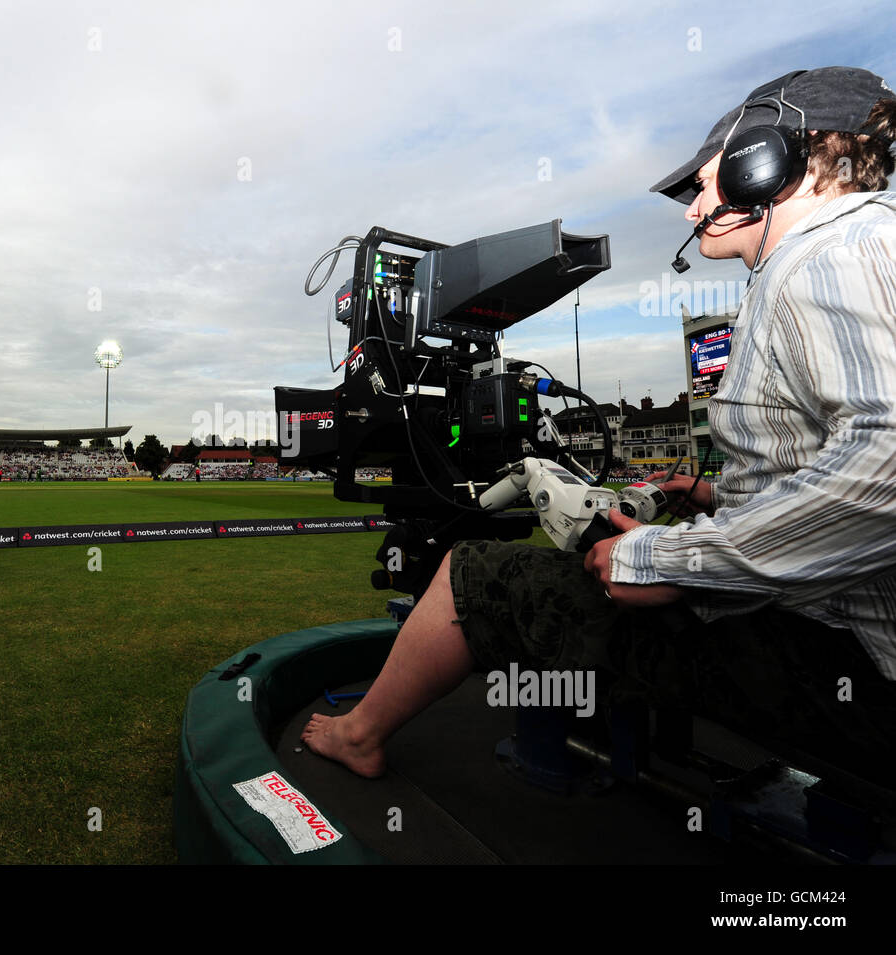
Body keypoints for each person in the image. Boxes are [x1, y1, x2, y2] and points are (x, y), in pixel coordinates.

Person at [304, 67, 896, 785]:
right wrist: (716, 502)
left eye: (706, 183)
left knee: (473, 572)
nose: (692, 209)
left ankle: (358, 733)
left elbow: (885, 469)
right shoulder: (855, 253)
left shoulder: (831, 258)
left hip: (850, 673)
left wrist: (665, 562)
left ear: (765, 164)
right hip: (847, 648)